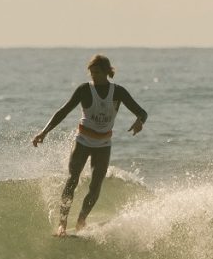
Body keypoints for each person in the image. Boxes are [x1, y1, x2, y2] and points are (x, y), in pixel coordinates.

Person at [32, 54, 148, 237]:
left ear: (106, 72)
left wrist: (140, 121)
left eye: (97, 72)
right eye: (91, 72)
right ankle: (62, 223)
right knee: (72, 179)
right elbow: (63, 111)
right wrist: (44, 132)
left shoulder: (118, 92)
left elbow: (142, 112)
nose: (93, 76)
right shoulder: (84, 90)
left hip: (104, 144)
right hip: (83, 141)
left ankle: (81, 220)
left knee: (95, 186)